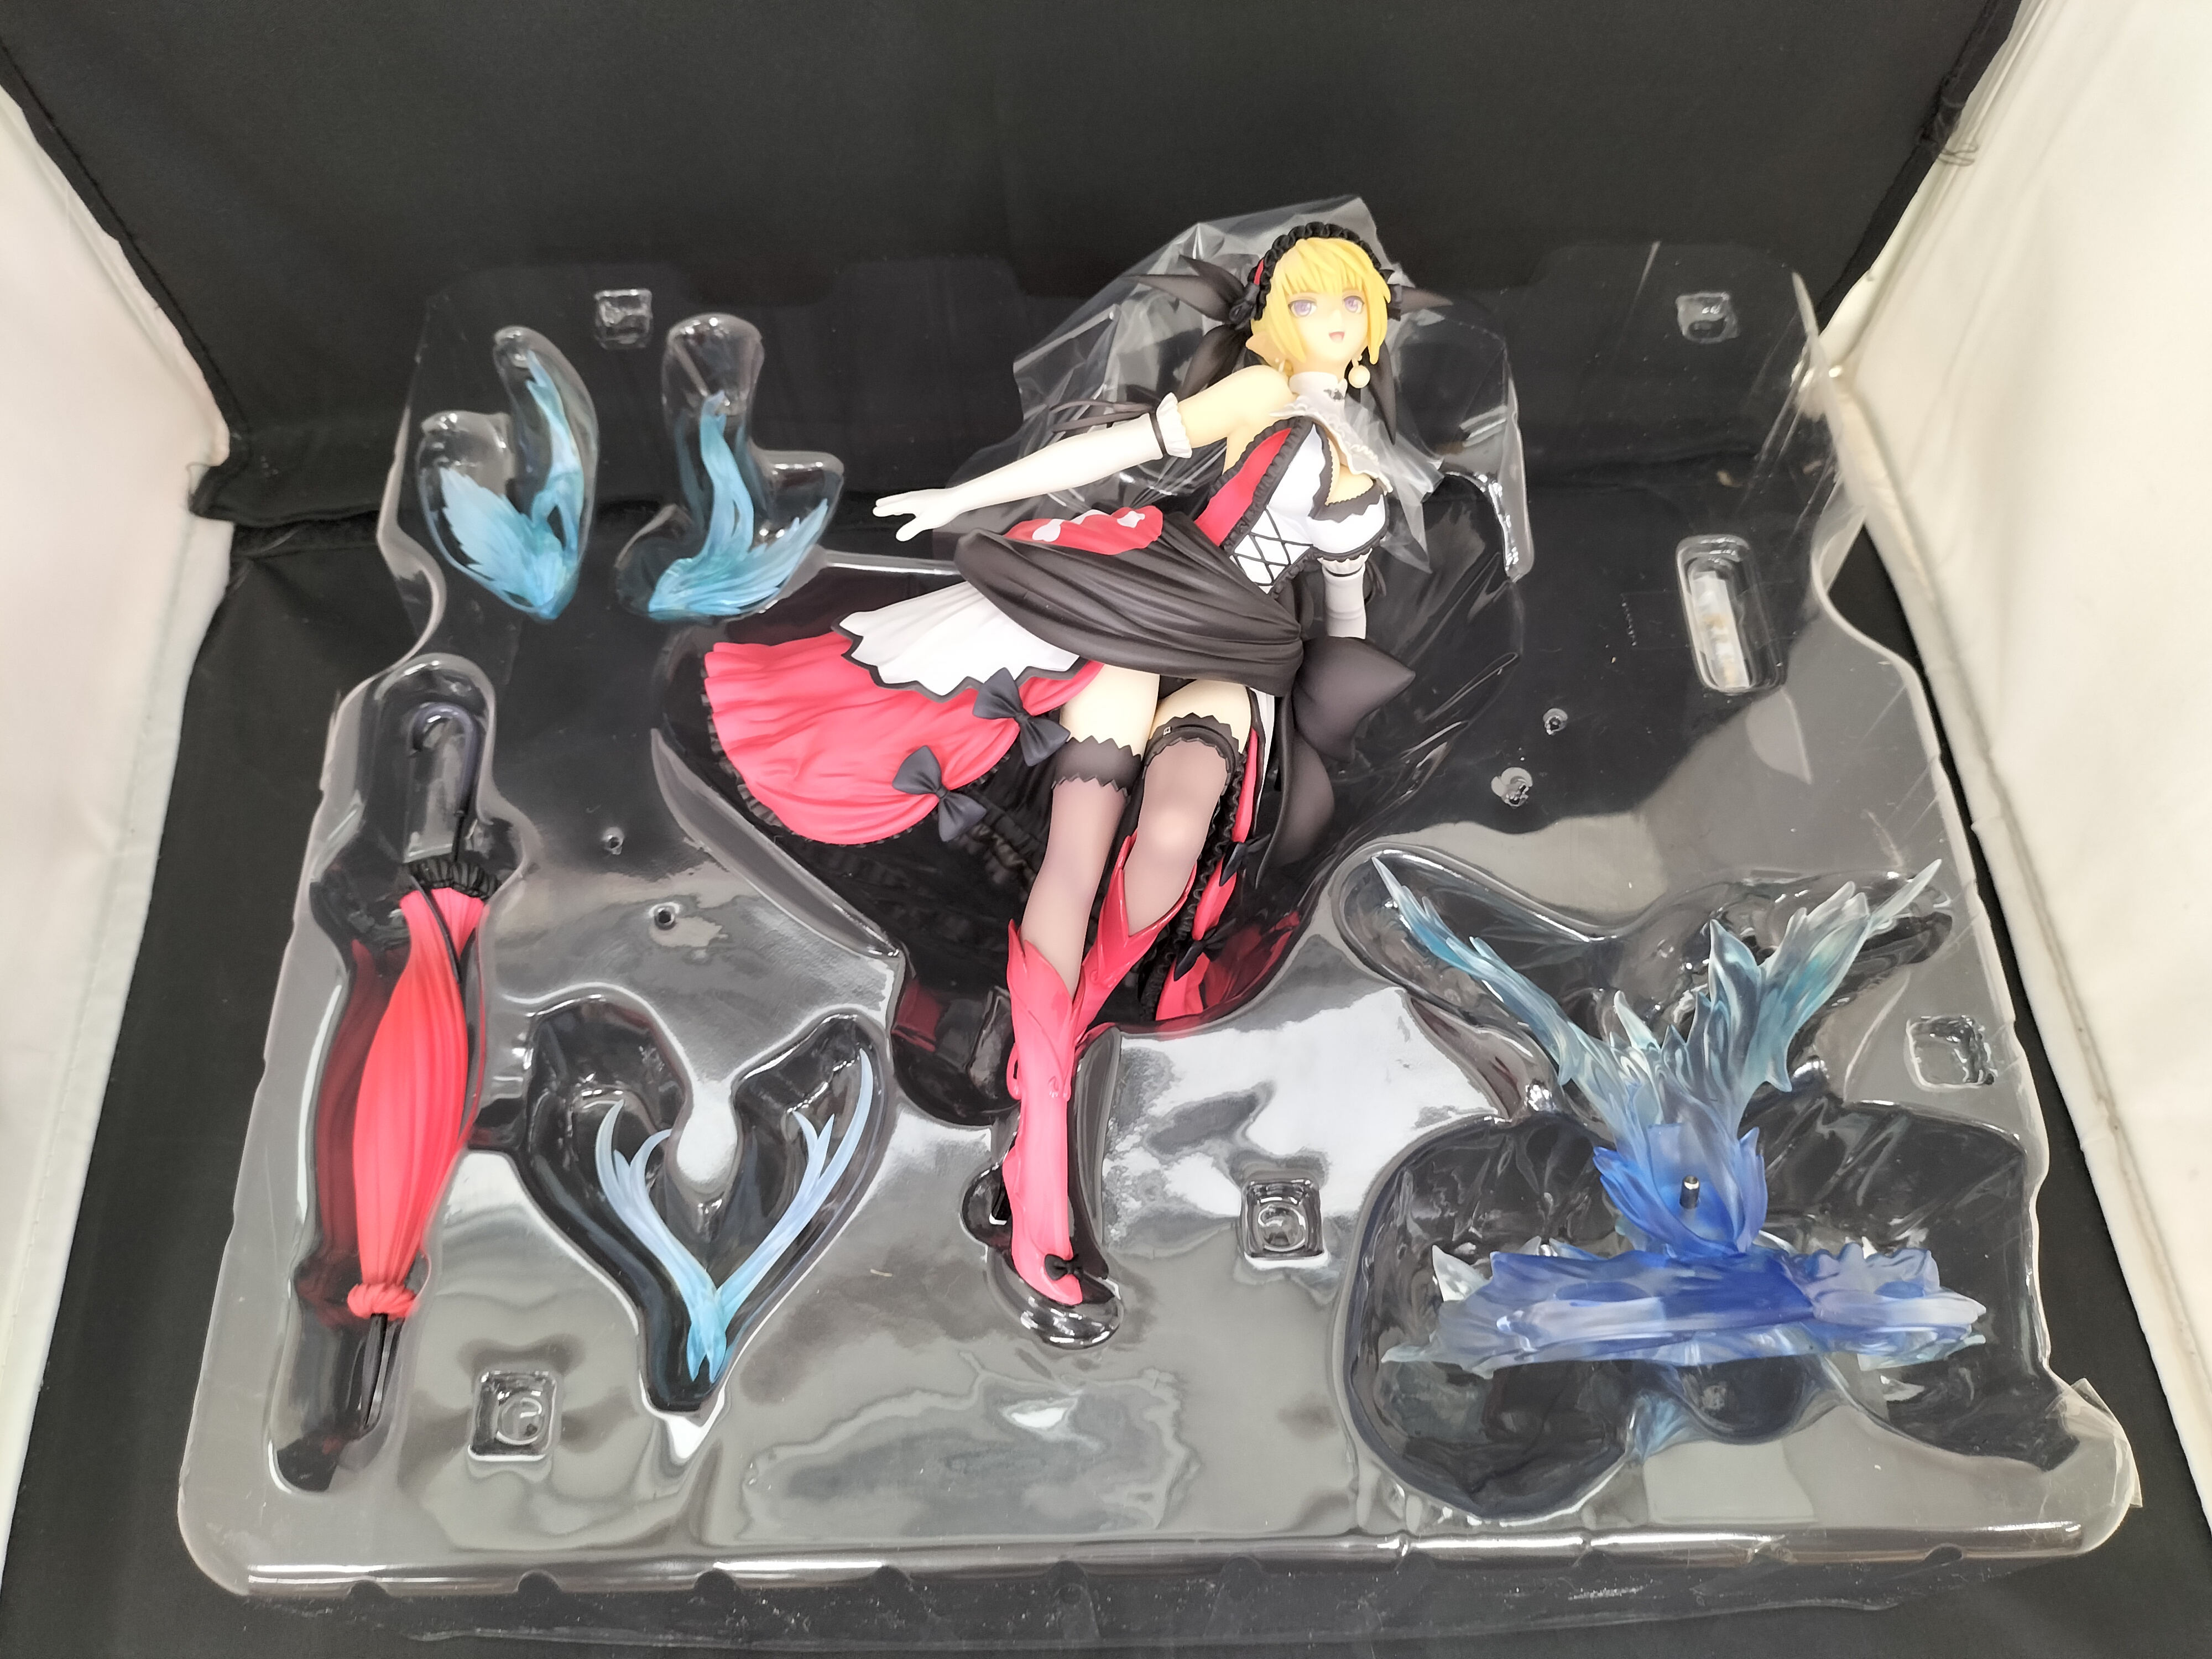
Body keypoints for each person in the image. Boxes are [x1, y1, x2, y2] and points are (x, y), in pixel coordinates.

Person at [703, 223, 1431, 1310]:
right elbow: (1112, 448)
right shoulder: (1263, 395)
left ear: (1371, 324)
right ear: (1275, 320)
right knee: (1076, 858)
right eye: (1307, 304)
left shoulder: (1368, 460)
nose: (1329, 322)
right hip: (1150, 602)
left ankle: (1064, 1047)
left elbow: (1342, 610)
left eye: (1347, 305)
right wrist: (960, 503)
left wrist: (1339, 715)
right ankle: (1042, 1143)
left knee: (1174, 829)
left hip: (1244, 656)